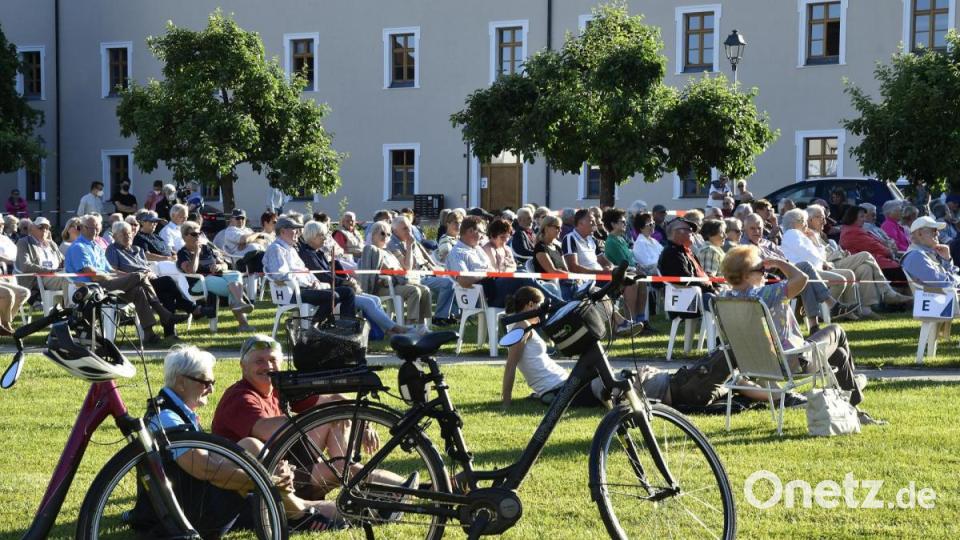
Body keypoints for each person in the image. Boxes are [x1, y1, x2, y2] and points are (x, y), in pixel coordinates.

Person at [143, 345, 340, 533]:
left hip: (199, 501)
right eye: (205, 383)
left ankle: (353, 511)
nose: (211, 390)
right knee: (251, 446)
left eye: (212, 383)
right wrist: (266, 479)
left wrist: (269, 477)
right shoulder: (167, 419)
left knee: (308, 504)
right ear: (180, 382)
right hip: (192, 514)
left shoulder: (176, 412)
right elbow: (205, 469)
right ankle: (299, 515)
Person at [212, 335, 412, 512]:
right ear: (243, 366)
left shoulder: (276, 389)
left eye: (273, 360)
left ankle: (348, 477)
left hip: (286, 461)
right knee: (337, 444)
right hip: (273, 479)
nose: (268, 366)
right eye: (259, 361)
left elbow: (334, 399)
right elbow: (266, 430)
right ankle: (405, 489)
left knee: (336, 414)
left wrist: (364, 424)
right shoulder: (240, 397)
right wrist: (322, 415)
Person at [720, 245, 885, 425]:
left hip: (753, 366)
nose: (765, 273)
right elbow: (802, 278)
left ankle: (854, 408)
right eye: (761, 269)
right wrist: (780, 262)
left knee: (839, 355)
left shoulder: (724, 299)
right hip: (790, 363)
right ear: (746, 275)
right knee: (836, 331)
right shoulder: (764, 294)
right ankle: (854, 394)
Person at [65, 214, 184, 343]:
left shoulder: (96, 246)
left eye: (98, 228)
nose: (96, 231)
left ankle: (149, 334)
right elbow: (91, 273)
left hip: (107, 282)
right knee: (140, 275)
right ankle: (164, 314)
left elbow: (111, 270)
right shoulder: (79, 247)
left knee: (138, 290)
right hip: (92, 286)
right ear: (82, 228)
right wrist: (129, 276)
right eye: (92, 228)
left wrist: (127, 276)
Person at [299, 220, 411, 337]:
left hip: (338, 288)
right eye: (321, 235)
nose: (324, 238)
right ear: (312, 236)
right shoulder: (307, 254)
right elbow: (322, 275)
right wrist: (344, 281)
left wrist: (346, 277)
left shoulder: (318, 253)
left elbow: (333, 271)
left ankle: (387, 331)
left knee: (375, 300)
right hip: (330, 292)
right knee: (369, 303)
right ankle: (395, 328)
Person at [501, 287, 606, 409]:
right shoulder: (521, 325)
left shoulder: (522, 325)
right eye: (540, 306)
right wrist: (506, 402)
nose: (543, 312)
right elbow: (510, 365)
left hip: (561, 384)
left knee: (604, 377)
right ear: (530, 304)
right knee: (606, 381)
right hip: (557, 388)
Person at [107, 221, 215, 336]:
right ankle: (191, 309)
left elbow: (145, 266)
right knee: (167, 282)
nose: (127, 236)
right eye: (123, 234)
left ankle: (170, 332)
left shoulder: (137, 249)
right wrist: (136, 275)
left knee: (167, 294)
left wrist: (149, 272)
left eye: (129, 233)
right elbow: (113, 271)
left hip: (147, 281)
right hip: (131, 284)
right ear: (114, 236)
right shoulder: (113, 250)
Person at [805, 205, 910, 318]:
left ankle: (865, 309)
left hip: (838, 261)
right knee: (866, 255)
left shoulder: (820, 234)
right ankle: (887, 292)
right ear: (810, 219)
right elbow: (818, 256)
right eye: (821, 217)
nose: (825, 221)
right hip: (828, 266)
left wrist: (841, 253)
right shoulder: (808, 234)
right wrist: (838, 253)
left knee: (865, 268)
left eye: (824, 217)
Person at [264, 215, 355, 324]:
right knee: (333, 296)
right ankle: (313, 328)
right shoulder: (276, 249)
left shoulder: (290, 249)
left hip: (304, 288)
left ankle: (347, 328)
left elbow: (305, 270)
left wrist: (314, 281)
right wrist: (307, 283)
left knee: (348, 292)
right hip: (292, 293)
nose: (298, 232)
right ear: (283, 231)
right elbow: (282, 275)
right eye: (294, 229)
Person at [780, 208, 859, 320]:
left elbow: (819, 255)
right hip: (804, 272)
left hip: (816, 269)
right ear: (793, 223)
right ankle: (826, 312)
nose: (805, 224)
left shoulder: (800, 235)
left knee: (849, 274)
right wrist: (822, 260)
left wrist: (814, 240)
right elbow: (806, 253)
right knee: (840, 280)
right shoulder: (792, 233)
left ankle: (849, 313)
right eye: (802, 221)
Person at [178, 220, 255, 330]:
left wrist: (219, 267)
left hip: (216, 277)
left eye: (199, 234)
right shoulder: (182, 253)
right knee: (233, 287)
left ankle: (239, 303)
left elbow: (224, 264)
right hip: (199, 283)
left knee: (236, 273)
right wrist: (196, 253)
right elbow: (191, 271)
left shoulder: (207, 248)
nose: (197, 237)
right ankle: (243, 321)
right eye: (194, 234)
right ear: (184, 237)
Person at [359, 221, 431, 330]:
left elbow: (401, 269)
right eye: (382, 233)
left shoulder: (388, 252)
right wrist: (398, 273)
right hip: (382, 287)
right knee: (414, 291)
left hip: (396, 283)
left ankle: (421, 325)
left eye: (388, 234)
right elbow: (387, 270)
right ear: (373, 234)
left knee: (425, 289)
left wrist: (399, 272)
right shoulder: (372, 250)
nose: (386, 237)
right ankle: (410, 326)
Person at [388, 215, 457, 325]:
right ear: (394, 231)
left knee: (454, 280)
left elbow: (425, 255)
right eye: (405, 228)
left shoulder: (410, 239)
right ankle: (440, 317)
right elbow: (407, 267)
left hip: (427, 272)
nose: (409, 231)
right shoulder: (393, 244)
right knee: (448, 283)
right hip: (414, 277)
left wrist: (435, 267)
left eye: (409, 228)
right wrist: (409, 246)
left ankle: (453, 314)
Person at [602, 207, 651, 330]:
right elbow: (622, 263)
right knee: (633, 282)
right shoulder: (611, 242)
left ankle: (641, 320)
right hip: (616, 278)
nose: (625, 224)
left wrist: (637, 267)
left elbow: (630, 259)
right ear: (613, 224)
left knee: (641, 281)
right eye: (622, 222)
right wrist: (635, 269)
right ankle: (632, 321)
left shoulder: (621, 239)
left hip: (628, 272)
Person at [839, 206, 909, 286]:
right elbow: (876, 247)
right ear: (852, 217)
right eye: (862, 217)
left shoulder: (855, 230)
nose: (864, 219)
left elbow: (885, 244)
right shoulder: (853, 232)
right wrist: (890, 251)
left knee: (911, 275)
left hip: (881, 261)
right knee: (911, 278)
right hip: (879, 264)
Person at [15, 217, 68, 302]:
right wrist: (50, 271)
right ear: (32, 229)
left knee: (73, 276)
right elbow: (25, 266)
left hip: (55, 275)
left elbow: (63, 261)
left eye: (47, 228)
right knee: (68, 279)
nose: (44, 230)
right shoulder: (24, 242)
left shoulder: (51, 244)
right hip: (38, 279)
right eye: (40, 227)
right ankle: (71, 310)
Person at [901, 216, 960, 289]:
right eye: (934, 230)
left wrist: (947, 259)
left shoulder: (922, 254)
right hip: (941, 298)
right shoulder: (915, 256)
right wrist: (957, 279)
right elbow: (944, 284)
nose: (937, 234)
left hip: (944, 297)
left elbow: (946, 281)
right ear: (919, 234)